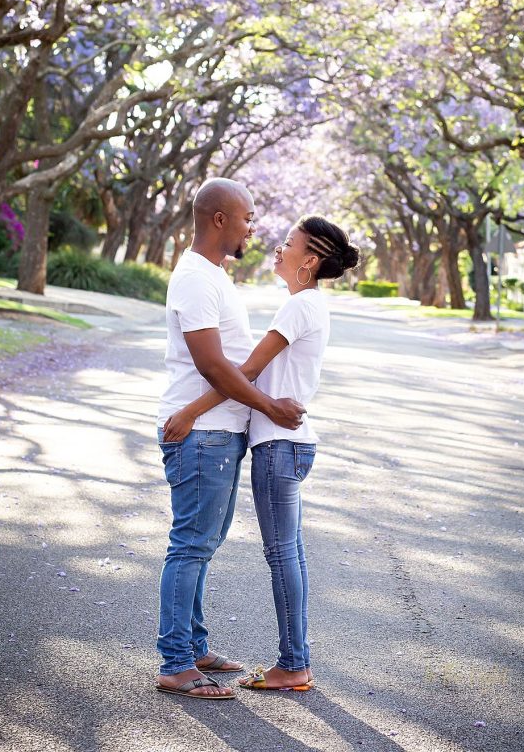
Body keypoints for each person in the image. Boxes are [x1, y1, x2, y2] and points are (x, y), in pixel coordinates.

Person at [164, 214, 359, 692]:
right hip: (285, 443)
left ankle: (294, 663)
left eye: (289, 244)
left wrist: (190, 410)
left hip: (279, 443)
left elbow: (246, 371)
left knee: (283, 554)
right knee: (285, 553)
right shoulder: (305, 304)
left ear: (309, 262)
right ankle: (292, 660)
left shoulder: (299, 308)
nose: (277, 247)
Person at [155, 178, 305, 701]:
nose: (253, 227)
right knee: (191, 545)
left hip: (217, 433)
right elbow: (213, 365)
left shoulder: (213, 276)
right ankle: (175, 663)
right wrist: (270, 407)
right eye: (247, 217)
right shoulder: (196, 278)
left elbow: (231, 364)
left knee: (203, 543)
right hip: (203, 438)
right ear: (219, 219)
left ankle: (193, 647)